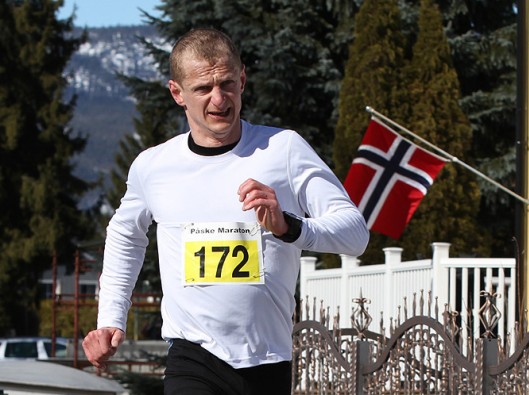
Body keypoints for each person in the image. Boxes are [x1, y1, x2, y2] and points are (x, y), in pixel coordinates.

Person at [82, 27, 369, 394]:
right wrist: (110, 317)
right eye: (203, 88)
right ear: (177, 93)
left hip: (267, 359)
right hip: (192, 356)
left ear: (243, 80)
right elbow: (125, 235)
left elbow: (356, 234)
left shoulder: (283, 149)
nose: (219, 99)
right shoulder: (153, 166)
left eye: (227, 84)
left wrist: (289, 227)